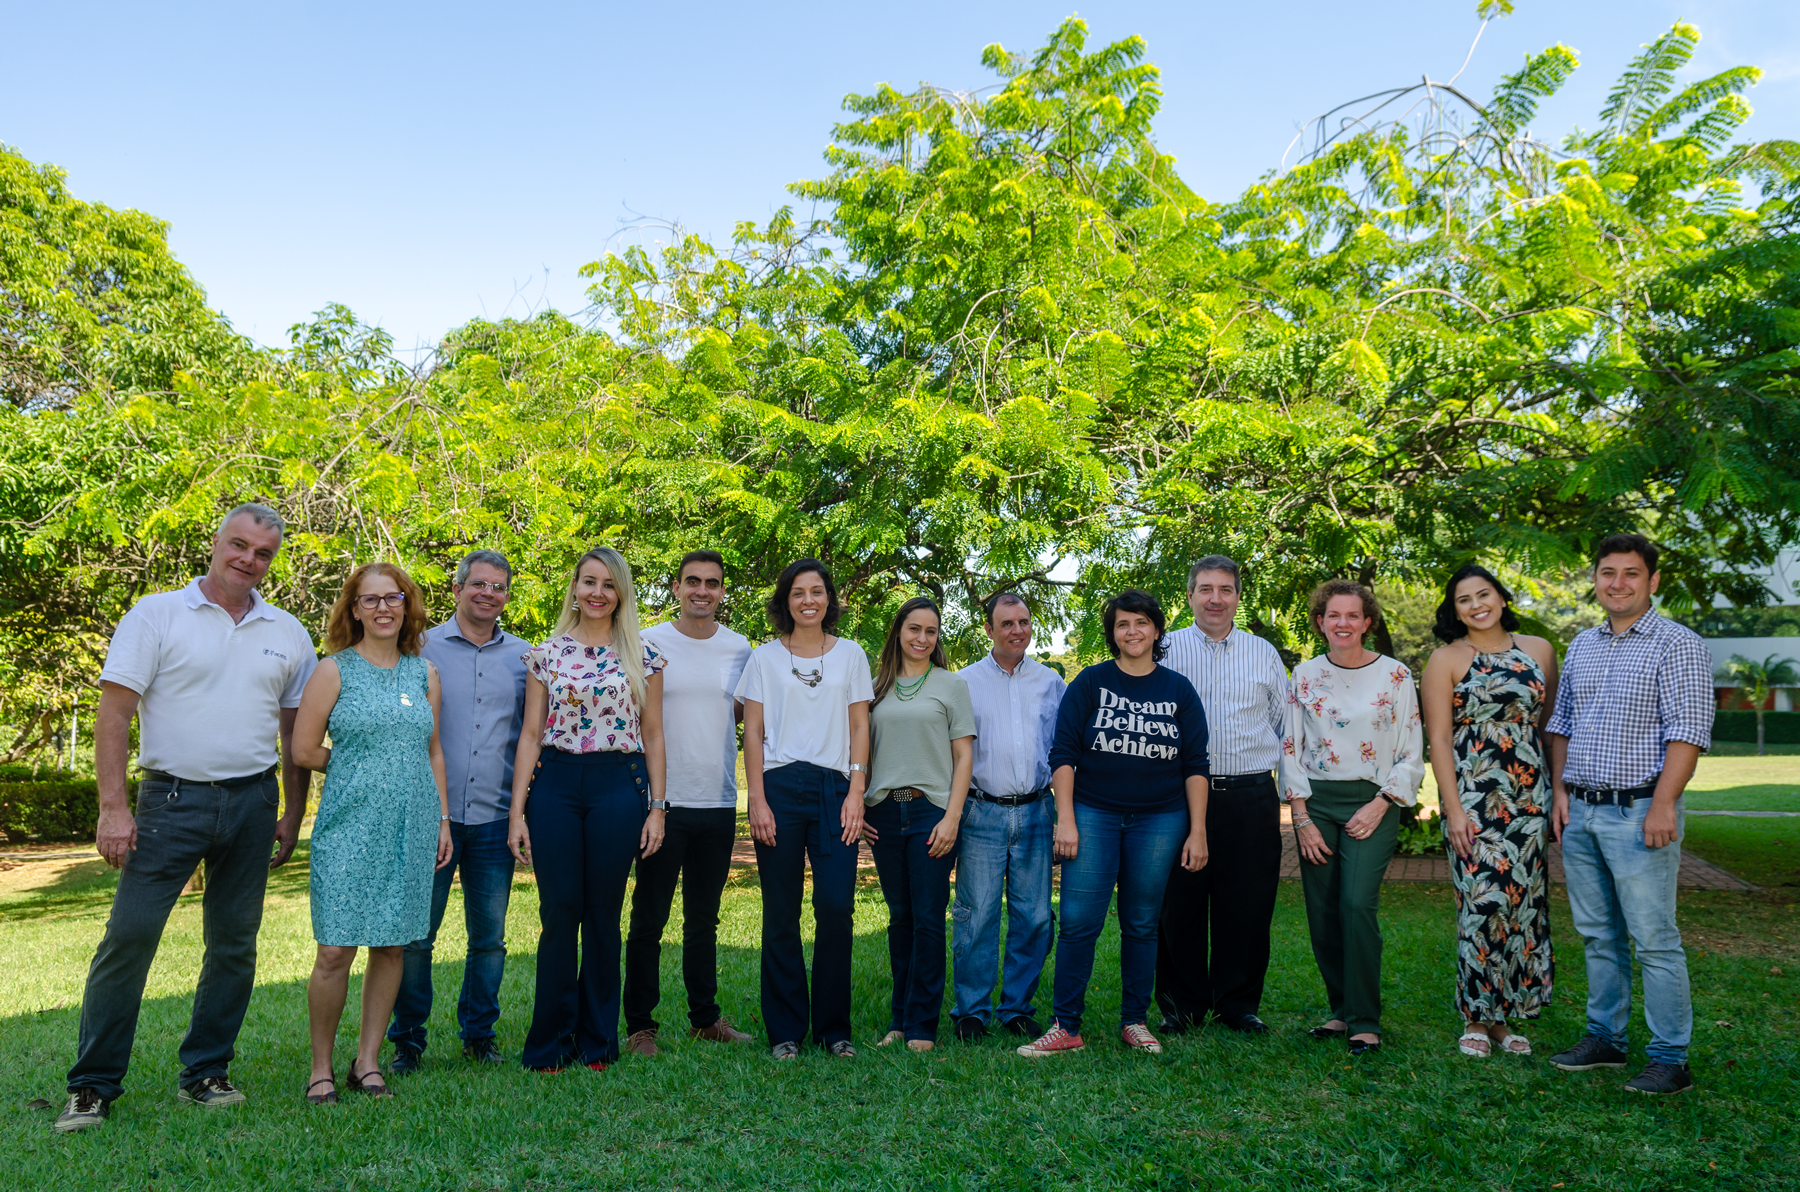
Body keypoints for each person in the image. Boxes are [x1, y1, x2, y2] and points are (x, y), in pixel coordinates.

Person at [56, 504, 317, 1134]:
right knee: (129, 939)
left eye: (262, 554)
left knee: (233, 945)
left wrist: (291, 811)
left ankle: (206, 1072)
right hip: (171, 802)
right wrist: (113, 808)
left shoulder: (288, 631)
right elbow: (114, 715)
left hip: (253, 804)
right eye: (239, 546)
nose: (248, 561)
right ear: (216, 542)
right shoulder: (156, 615)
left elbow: (294, 734)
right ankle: (92, 1086)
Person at [1545, 534, 1713, 1095]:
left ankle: (1670, 1057)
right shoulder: (1584, 644)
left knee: (1653, 938)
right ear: (1595, 579)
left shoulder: (1677, 644)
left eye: (1631, 573)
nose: (1618, 583)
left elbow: (1687, 731)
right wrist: (1561, 792)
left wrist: (1663, 804)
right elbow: (1563, 722)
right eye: (1608, 572)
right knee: (1598, 935)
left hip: (1639, 811)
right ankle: (1606, 1041)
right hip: (1582, 812)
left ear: (1653, 581)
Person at [1018, 589, 1209, 1059]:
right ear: (1113, 632)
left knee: (1142, 923)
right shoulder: (1090, 683)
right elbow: (1062, 753)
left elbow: (1196, 764)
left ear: (1157, 630)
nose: (1133, 631)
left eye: (1142, 623)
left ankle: (1135, 1022)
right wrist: (1066, 818)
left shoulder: (1178, 690)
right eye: (1123, 624)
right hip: (1093, 814)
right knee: (1080, 922)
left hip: (1161, 819)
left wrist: (1198, 830)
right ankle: (1067, 1026)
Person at [294, 562, 453, 1103]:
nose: (383, 608)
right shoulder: (332, 670)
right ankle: (321, 1067)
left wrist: (442, 821)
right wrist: (359, 769)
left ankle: (367, 1061)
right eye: (371, 600)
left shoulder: (424, 674)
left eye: (394, 598)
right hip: (348, 826)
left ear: (406, 606)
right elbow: (303, 749)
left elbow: (433, 752)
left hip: (412, 825)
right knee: (335, 950)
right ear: (354, 609)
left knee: (391, 947)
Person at [509, 546, 668, 1073]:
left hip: (618, 786)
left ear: (621, 592)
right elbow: (531, 735)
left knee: (603, 916)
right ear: (574, 589)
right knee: (559, 915)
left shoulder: (642, 657)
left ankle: (598, 1041)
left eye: (608, 584)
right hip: (555, 784)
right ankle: (549, 1044)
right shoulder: (546, 654)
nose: (597, 592)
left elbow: (653, 734)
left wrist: (657, 808)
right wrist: (517, 814)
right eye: (588, 582)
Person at [388, 549, 529, 1073]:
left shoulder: (525, 657)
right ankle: (408, 1040)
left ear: (506, 596)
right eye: (478, 584)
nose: (488, 593)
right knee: (416, 937)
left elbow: (530, 738)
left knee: (488, 939)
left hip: (495, 818)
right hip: (430, 817)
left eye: (498, 587)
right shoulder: (418, 650)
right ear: (457, 589)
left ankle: (479, 1035)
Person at [735, 558, 872, 1060]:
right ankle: (786, 1031)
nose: (808, 600)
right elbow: (751, 731)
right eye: (798, 592)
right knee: (781, 911)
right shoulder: (764, 659)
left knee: (836, 907)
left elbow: (861, 728)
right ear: (785, 601)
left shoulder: (852, 655)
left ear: (829, 599)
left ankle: (835, 1030)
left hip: (836, 788)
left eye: (817, 591)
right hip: (780, 785)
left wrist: (856, 791)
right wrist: (757, 799)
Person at [1422, 565, 1559, 1059]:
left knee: (1522, 908)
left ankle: (1507, 1018)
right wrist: (1453, 809)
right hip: (1475, 800)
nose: (1476, 604)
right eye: (1464, 599)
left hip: (1529, 798)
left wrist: (1556, 793)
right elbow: (1438, 738)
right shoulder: (1446, 659)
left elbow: (1549, 729)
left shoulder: (1539, 650)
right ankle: (1475, 1017)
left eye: (1484, 594)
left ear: (1501, 598)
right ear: (1454, 610)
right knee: (1482, 906)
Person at [1283, 579, 1424, 1056]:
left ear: (1368, 622)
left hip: (1373, 800)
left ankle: (1367, 1019)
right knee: (1323, 912)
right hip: (1316, 803)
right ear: (1320, 622)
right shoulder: (1303, 675)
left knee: (1356, 904)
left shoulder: (1397, 676)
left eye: (1352, 616)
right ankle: (1341, 1011)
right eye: (1333, 616)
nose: (1342, 623)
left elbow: (1410, 749)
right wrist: (1299, 815)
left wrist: (1381, 801)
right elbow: (1291, 748)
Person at [624, 550, 756, 1055]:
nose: (703, 590)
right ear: (677, 587)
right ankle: (641, 1026)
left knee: (704, 918)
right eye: (693, 582)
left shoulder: (739, 647)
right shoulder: (648, 642)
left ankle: (706, 1018)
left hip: (719, 800)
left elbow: (750, 717)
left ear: (723, 591)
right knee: (649, 917)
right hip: (663, 803)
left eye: (713, 583)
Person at [1155, 556, 1288, 1037]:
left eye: (1225, 589)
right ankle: (1181, 1005)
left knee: (1247, 905)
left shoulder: (1263, 654)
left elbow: (1284, 726)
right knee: (1178, 904)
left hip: (1249, 795)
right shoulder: (1164, 651)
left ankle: (1238, 1003)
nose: (1215, 598)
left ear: (1237, 596)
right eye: (1205, 589)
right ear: (1189, 595)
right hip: (1179, 797)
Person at [951, 592, 1065, 1043]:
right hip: (982, 811)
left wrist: (1063, 815)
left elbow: (1061, 753)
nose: (1017, 630)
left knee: (1035, 916)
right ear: (988, 629)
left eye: (1023, 622)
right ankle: (972, 1011)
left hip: (1037, 810)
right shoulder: (964, 682)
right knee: (975, 915)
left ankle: (1016, 1006)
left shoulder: (1051, 682)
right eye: (1006, 623)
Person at [865, 597, 976, 1052]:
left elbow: (964, 755)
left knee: (929, 917)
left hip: (932, 811)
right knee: (901, 917)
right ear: (898, 632)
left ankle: (922, 1025)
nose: (922, 639)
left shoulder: (952, 686)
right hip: (885, 813)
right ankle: (899, 1018)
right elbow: (861, 752)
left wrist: (953, 816)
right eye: (914, 629)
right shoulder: (874, 688)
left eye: (931, 631)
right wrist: (863, 805)